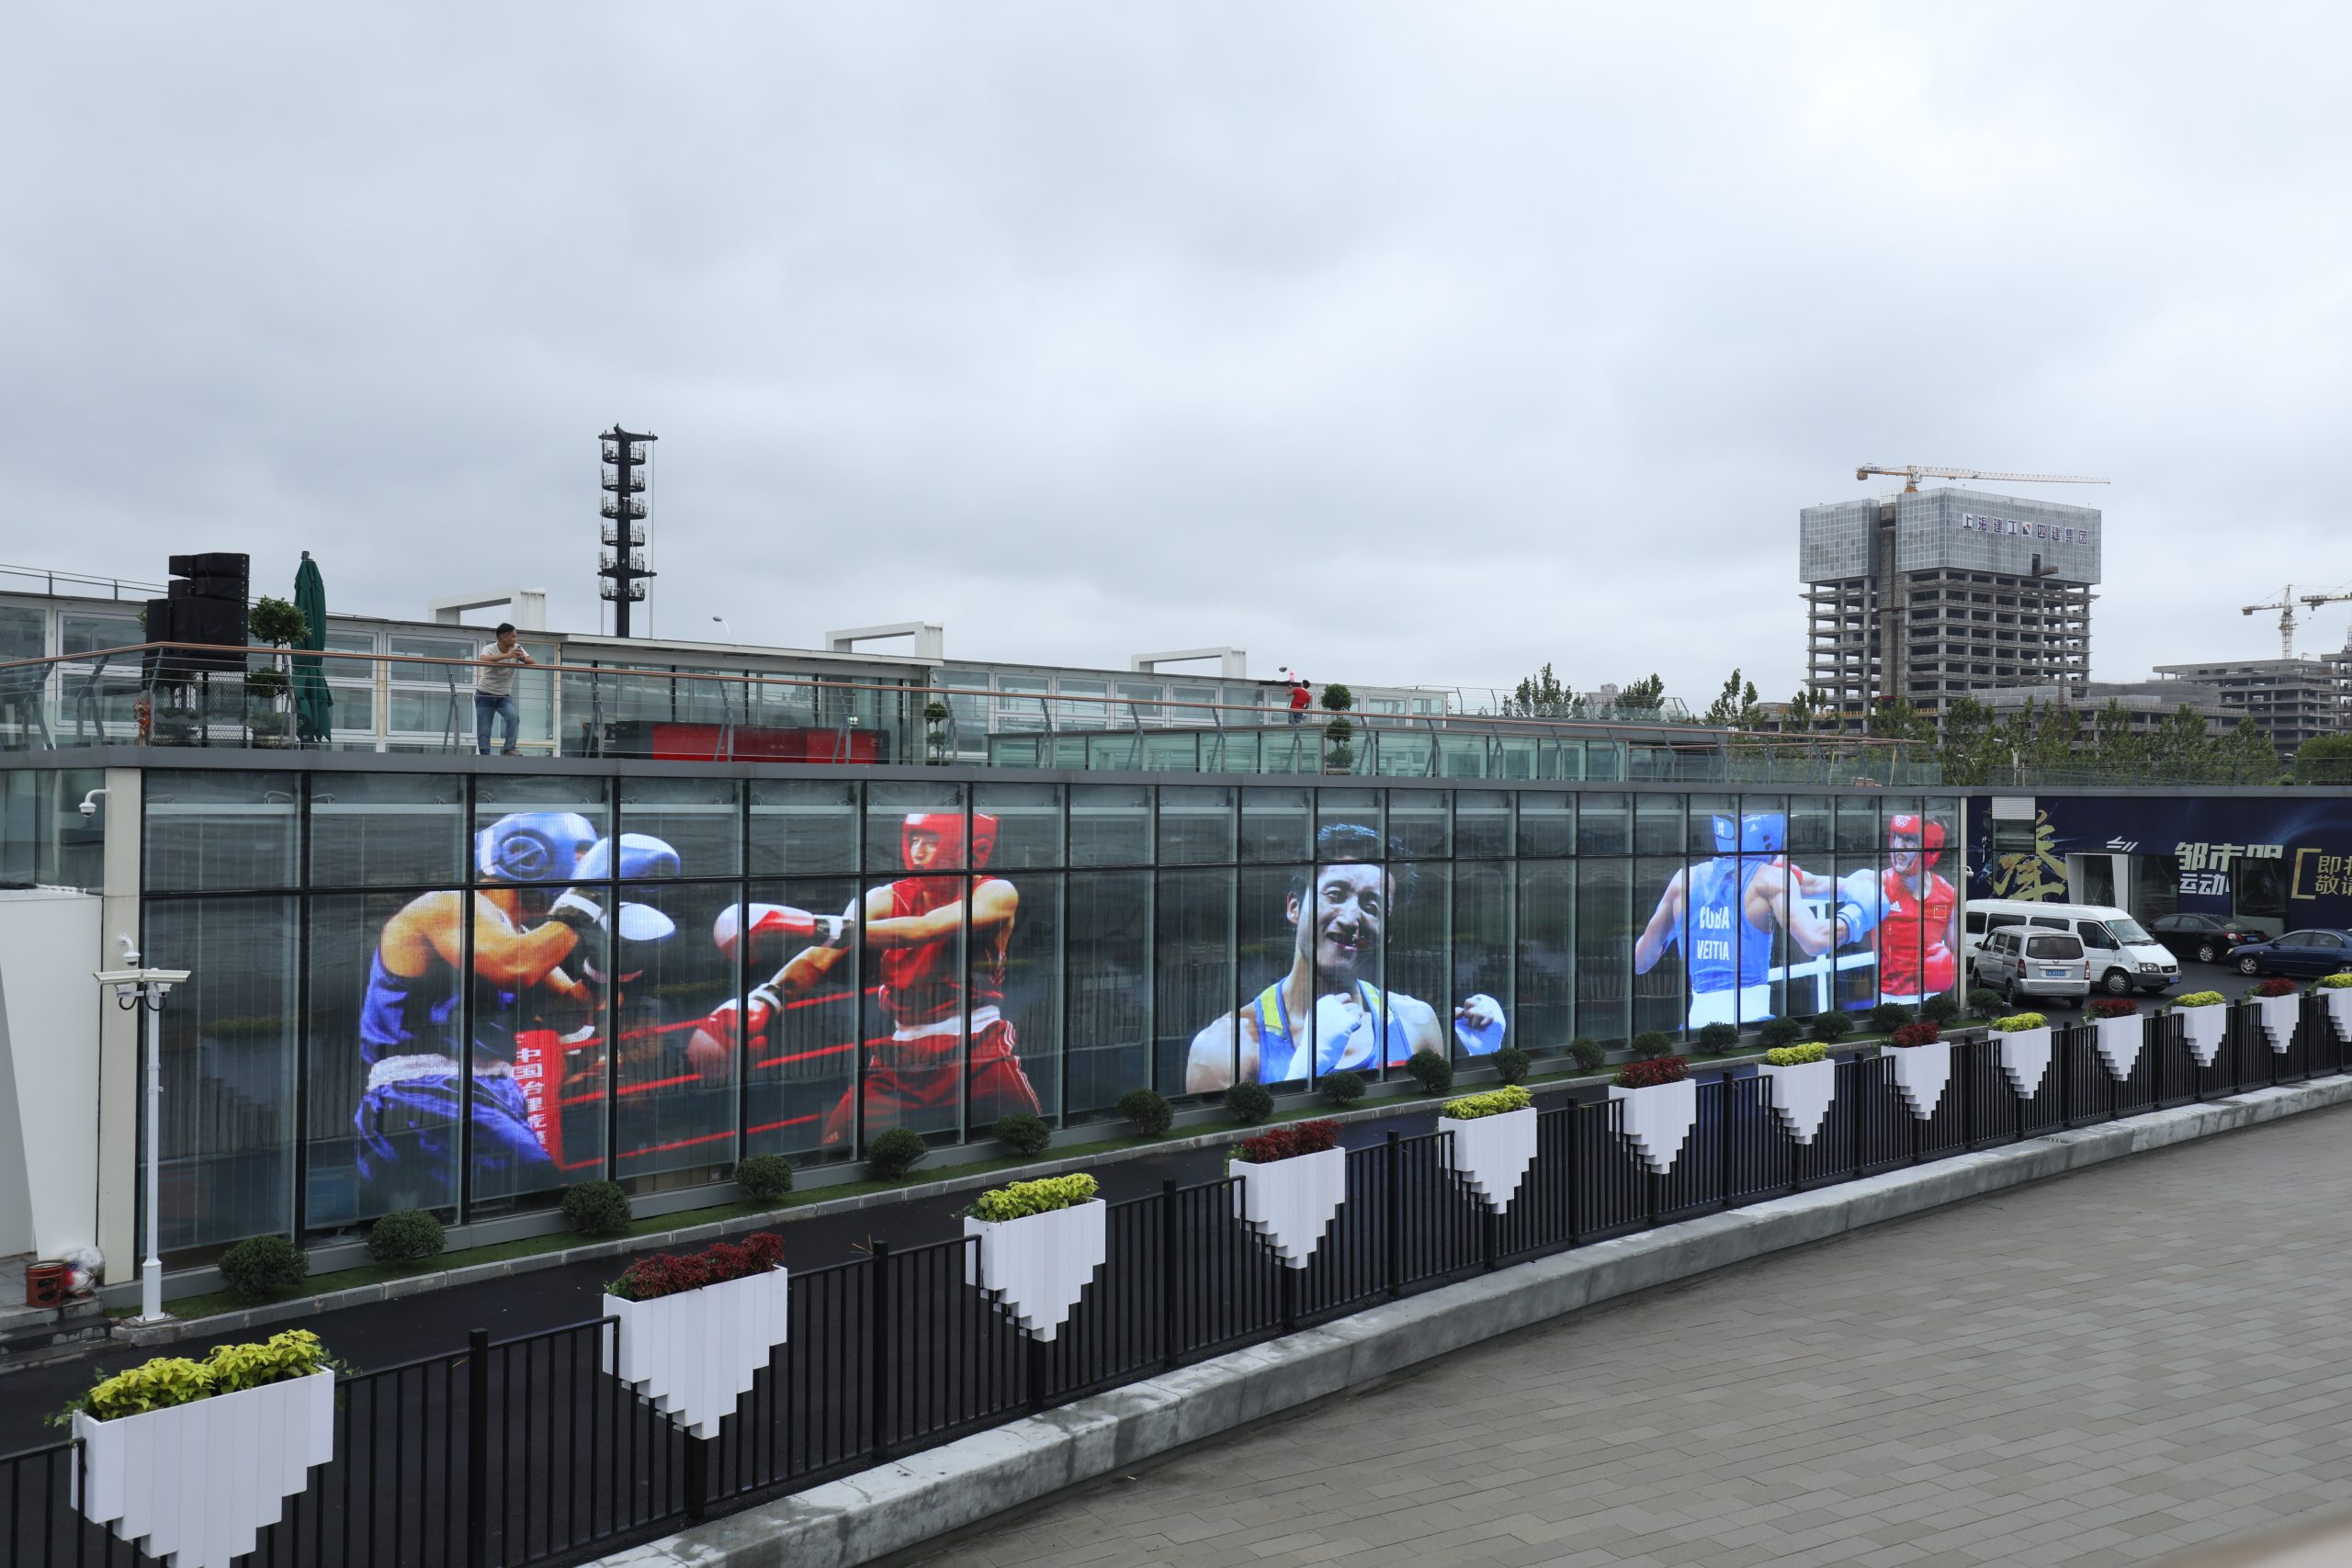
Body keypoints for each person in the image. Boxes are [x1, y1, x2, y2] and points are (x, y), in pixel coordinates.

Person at [351, 814, 676, 1211]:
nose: (584, 870)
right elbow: (514, 970)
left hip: (490, 1086)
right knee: (541, 1195)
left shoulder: (518, 936)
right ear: (528, 854)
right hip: (428, 1083)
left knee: (471, 1210)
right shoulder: (448, 904)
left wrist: (609, 967)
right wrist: (588, 896)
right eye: (580, 858)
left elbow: (575, 1011)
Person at [699, 811, 1043, 1145]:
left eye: (930, 841)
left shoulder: (996, 893)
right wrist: (765, 999)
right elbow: (820, 958)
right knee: (839, 1145)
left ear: (972, 849)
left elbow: (923, 930)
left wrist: (807, 925)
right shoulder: (884, 898)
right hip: (902, 1051)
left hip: (977, 1044)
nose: (917, 852)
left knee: (1024, 1141)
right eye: (914, 839)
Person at [1185, 822, 1505, 1091]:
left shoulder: (1415, 1022)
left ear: (1386, 931)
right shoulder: (1225, 1046)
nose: (1353, 918)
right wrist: (1306, 1068)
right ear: (1294, 907)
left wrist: (1485, 1059)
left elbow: (1438, 1126)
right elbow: (1229, 1158)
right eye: (1335, 895)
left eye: (1372, 906)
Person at [1634, 813, 1846, 1029]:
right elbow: (1816, 941)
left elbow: (1641, 961)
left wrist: (1672, 933)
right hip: (1751, 1022)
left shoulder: (1684, 879)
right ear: (1769, 840)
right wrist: (1856, 918)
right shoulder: (1771, 879)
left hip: (1695, 1024)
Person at [474, 623, 535, 756]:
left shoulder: (517, 648)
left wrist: (522, 658)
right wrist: (506, 656)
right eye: (513, 636)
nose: (515, 639)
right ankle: (485, 756)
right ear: (503, 637)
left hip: (504, 696)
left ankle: (509, 749)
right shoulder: (490, 648)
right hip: (485, 694)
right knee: (484, 729)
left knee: (513, 717)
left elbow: (532, 661)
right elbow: (483, 660)